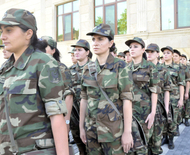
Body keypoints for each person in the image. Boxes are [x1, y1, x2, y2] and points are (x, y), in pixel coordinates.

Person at [0, 8, 69, 154]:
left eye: (9, 30)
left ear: (28, 33)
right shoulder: (6, 67)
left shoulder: (44, 63)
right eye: (2, 31)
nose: (2, 37)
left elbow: (57, 116)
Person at [80, 24, 134, 154]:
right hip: (91, 130)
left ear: (110, 43)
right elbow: (84, 99)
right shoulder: (88, 68)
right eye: (93, 39)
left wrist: (127, 132)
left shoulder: (120, 66)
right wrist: (82, 127)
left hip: (113, 132)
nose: (95, 43)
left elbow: (127, 100)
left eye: (100, 39)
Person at [125, 38, 160, 155]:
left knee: (142, 146)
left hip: (144, 112)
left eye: (135, 46)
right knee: (130, 146)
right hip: (128, 112)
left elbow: (154, 90)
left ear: (143, 50)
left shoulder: (150, 66)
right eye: (130, 47)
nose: (132, 49)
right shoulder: (125, 68)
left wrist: (153, 113)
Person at [40, 36, 73, 133]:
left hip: (57, 119)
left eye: (44, 48)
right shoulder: (36, 67)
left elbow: (69, 95)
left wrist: (66, 122)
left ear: (53, 50)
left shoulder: (61, 68)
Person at [66, 39, 93, 155]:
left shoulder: (94, 68)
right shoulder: (69, 70)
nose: (76, 52)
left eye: (79, 50)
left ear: (87, 52)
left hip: (90, 115)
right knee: (80, 147)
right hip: (74, 116)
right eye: (75, 50)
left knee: (92, 148)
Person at [146, 43, 171, 155]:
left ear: (157, 54)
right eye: (148, 52)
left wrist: (166, 108)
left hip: (159, 109)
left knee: (156, 140)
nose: (149, 54)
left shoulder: (163, 70)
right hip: (144, 108)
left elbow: (166, 90)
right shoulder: (143, 68)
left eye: (152, 52)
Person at [161, 46, 185, 149]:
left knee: (172, 120)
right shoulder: (159, 67)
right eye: (164, 53)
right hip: (162, 97)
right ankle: (164, 137)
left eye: (167, 53)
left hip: (174, 98)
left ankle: (171, 140)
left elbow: (181, 84)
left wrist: (181, 99)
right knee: (163, 119)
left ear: (172, 55)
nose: (165, 55)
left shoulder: (178, 68)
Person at [173, 49, 190, 134]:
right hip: (170, 94)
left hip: (180, 92)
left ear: (179, 57)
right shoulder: (169, 66)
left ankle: (177, 126)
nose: (174, 57)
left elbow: (188, 81)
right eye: (173, 55)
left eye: (176, 56)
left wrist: (186, 92)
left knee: (179, 111)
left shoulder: (184, 68)